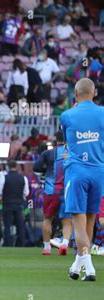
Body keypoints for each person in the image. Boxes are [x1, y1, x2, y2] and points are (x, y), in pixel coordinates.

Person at [61, 78, 104, 281]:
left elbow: (66, 143)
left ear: (75, 95)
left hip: (77, 171)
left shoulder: (67, 115)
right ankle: (77, 267)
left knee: (77, 221)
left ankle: (90, 268)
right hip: (98, 171)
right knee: (90, 219)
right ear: (94, 93)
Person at [33, 130, 72, 256]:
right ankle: (65, 243)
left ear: (55, 139)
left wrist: (47, 169)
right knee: (67, 220)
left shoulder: (48, 153)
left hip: (50, 190)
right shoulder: (71, 153)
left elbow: (36, 167)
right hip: (66, 191)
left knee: (47, 219)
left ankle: (47, 248)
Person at [0, 160, 29, 247]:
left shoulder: (4, 177)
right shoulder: (23, 178)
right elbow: (26, 193)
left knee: (7, 225)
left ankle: (8, 244)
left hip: (7, 203)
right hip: (19, 204)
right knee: (20, 225)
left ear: (8, 167)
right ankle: (21, 244)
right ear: (16, 166)